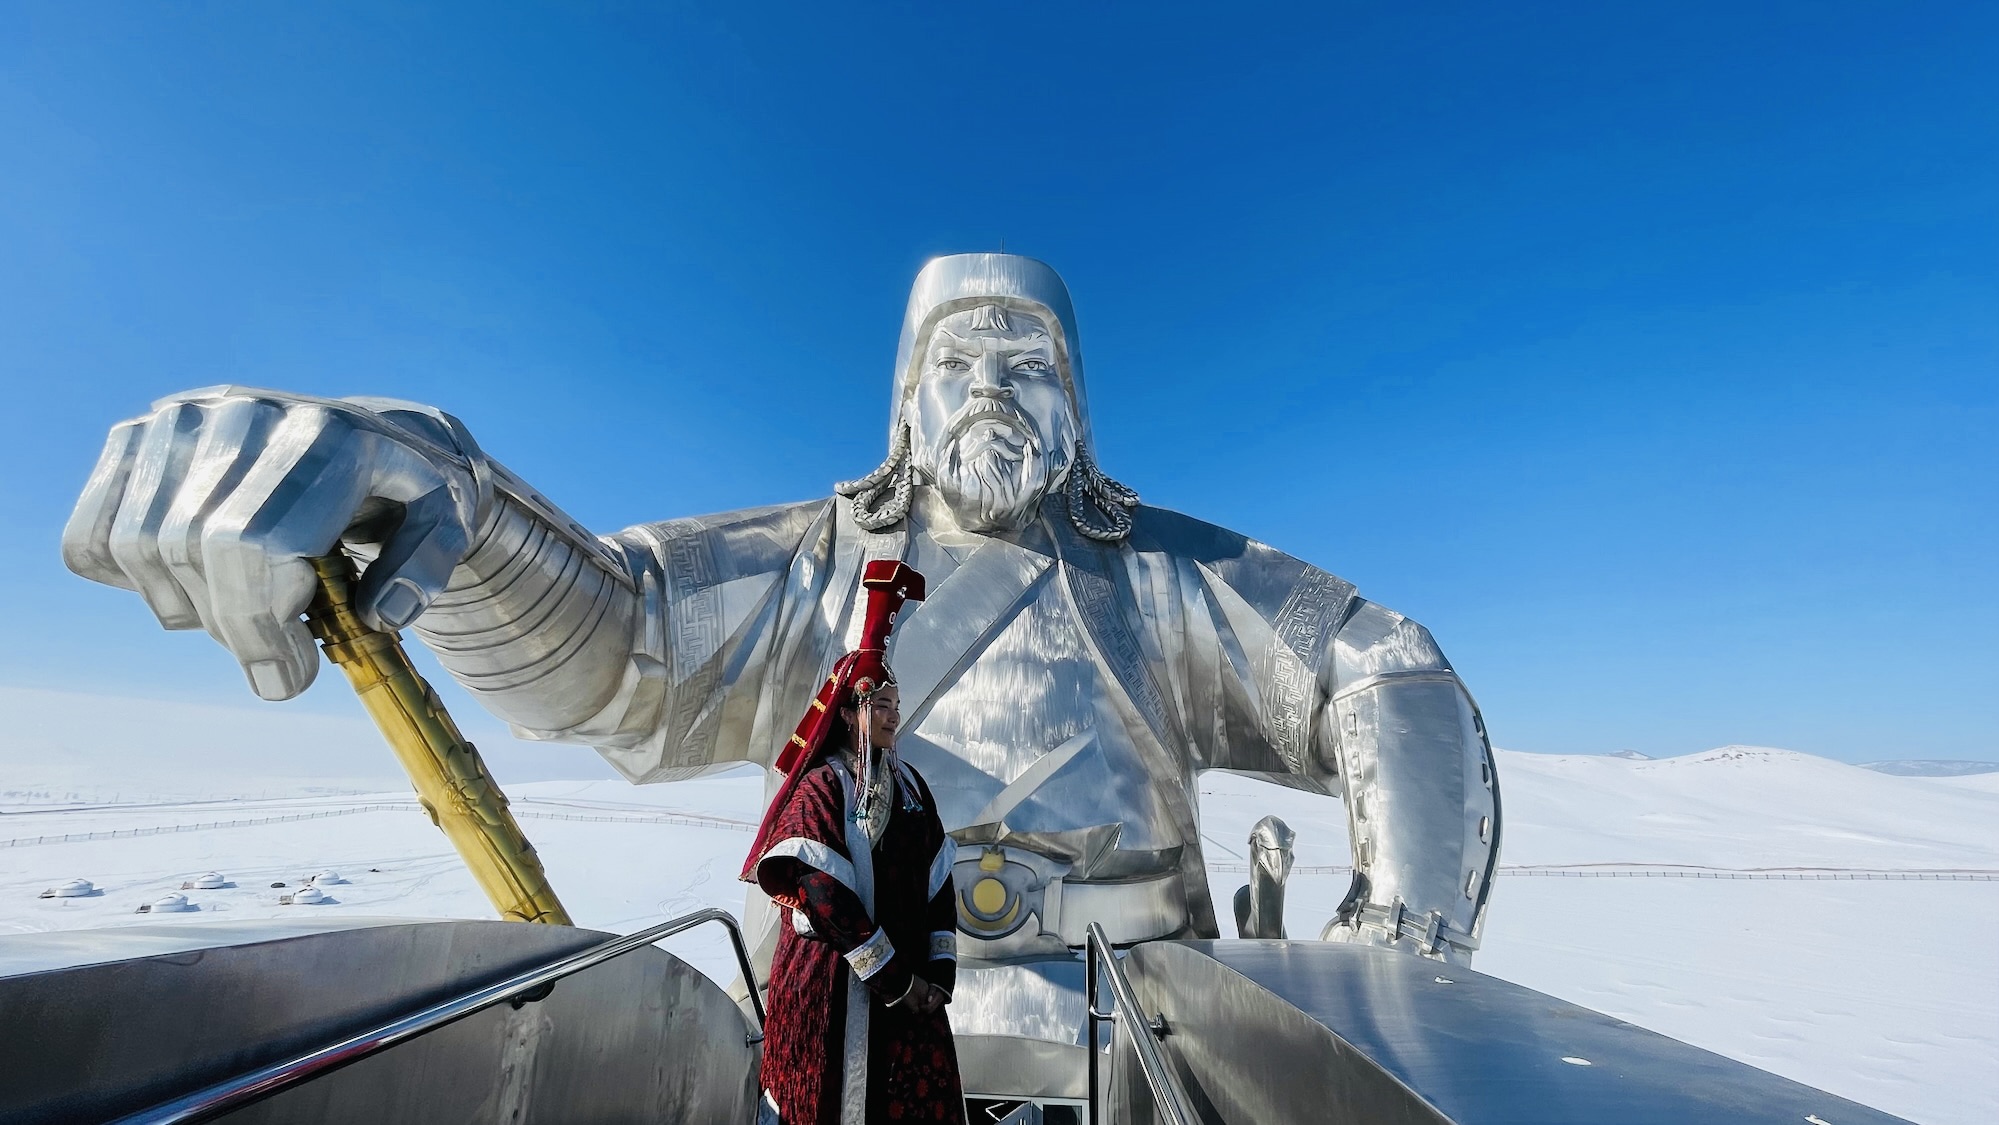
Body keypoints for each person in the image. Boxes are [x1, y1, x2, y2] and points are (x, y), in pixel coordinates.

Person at [742, 560, 962, 1125]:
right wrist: (893, 979)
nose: (893, 716)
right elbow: (821, 891)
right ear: (846, 715)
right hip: (833, 983)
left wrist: (937, 976)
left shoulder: (912, 787)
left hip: (912, 986)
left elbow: (940, 879)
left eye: (895, 705)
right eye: (879, 706)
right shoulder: (820, 789)